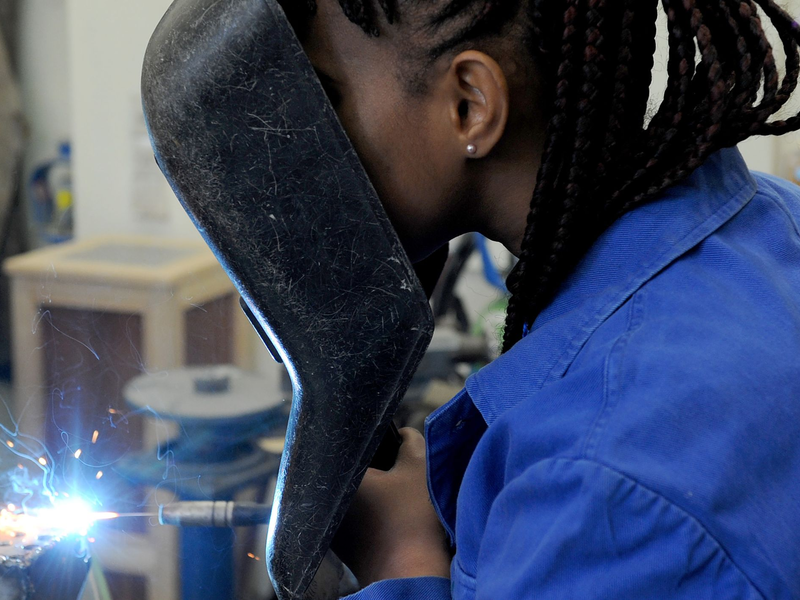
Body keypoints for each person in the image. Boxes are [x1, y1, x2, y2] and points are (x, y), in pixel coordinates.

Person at [280, 0, 800, 597]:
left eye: (331, 95)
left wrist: (402, 556)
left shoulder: (601, 487)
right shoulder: (770, 215)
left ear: (469, 106)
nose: (312, 139)